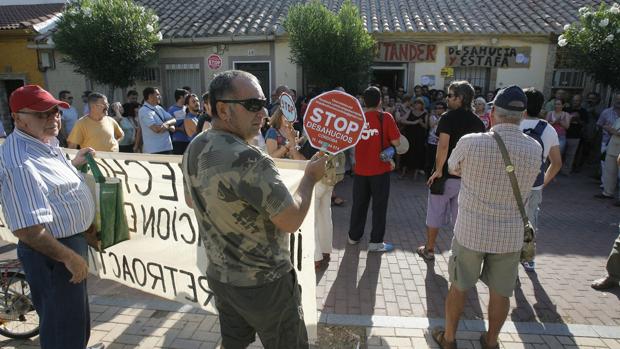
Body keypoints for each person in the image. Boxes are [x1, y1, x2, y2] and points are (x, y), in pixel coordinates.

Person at [182, 70, 327, 348]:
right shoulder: (249, 158)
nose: (262, 112)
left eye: (263, 103)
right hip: (265, 285)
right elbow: (290, 219)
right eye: (252, 105)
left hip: (221, 277)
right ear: (223, 109)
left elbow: (192, 200)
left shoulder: (195, 146)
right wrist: (309, 178)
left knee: (233, 343)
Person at [431, 85, 541, 349]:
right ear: (523, 115)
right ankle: (491, 342)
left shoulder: (471, 142)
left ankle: (448, 339)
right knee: (501, 292)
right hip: (509, 234)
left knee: (458, 286)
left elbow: (452, 168)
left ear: (492, 113)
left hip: (472, 229)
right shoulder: (534, 148)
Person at [0, 85, 104, 349]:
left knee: (74, 325)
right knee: (63, 332)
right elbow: (28, 230)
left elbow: (48, 187)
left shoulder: (42, 143)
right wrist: (69, 257)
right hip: (53, 254)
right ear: (18, 118)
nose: (53, 118)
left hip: (64, 249)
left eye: (55, 112)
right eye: (42, 114)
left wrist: (74, 164)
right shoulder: (20, 162)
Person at [418, 81, 485, 261]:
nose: (446, 99)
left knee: (435, 212)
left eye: (450, 95)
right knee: (461, 219)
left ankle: (429, 249)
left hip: (445, 177)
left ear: (460, 98)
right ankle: (460, 255)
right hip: (467, 179)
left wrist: (438, 170)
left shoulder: (448, 117)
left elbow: (443, 145)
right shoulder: (478, 122)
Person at [347, 86, 401, 252]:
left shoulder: (356, 118)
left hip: (360, 170)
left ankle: (353, 237)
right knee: (379, 207)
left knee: (358, 205)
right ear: (380, 101)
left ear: (364, 100)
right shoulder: (386, 117)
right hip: (380, 170)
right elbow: (397, 142)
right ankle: (376, 242)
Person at [518, 88, 562, 272]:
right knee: (529, 222)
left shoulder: (512, 124)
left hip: (509, 183)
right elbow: (557, 163)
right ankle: (528, 258)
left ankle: (505, 258)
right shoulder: (548, 129)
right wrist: (542, 182)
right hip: (534, 184)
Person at [139, 87, 176, 154]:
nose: (160, 97)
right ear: (150, 96)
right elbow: (156, 129)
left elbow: (173, 119)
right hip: (154, 150)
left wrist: (166, 124)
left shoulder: (159, 108)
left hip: (167, 147)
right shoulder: (143, 111)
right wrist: (170, 126)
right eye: (158, 95)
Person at [398, 97, 427, 179]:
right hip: (409, 135)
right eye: (416, 103)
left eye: (419, 103)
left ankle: (415, 174)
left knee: (418, 153)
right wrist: (413, 123)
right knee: (406, 153)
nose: (417, 105)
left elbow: (426, 126)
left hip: (419, 137)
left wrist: (420, 123)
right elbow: (402, 120)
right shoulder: (410, 111)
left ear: (422, 105)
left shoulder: (425, 113)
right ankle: (403, 172)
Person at [563, 94, 588, 175]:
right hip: (563, 135)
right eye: (574, 100)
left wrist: (578, 119)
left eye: (577, 100)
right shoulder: (566, 109)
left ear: (581, 101)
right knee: (560, 152)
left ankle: (566, 171)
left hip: (575, 136)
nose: (575, 102)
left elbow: (584, 124)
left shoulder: (583, 111)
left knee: (571, 155)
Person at [599, 115, 620, 205]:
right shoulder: (618, 119)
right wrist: (610, 129)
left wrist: (610, 129)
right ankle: (607, 193)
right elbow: (613, 131)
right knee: (609, 172)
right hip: (612, 148)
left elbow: (616, 132)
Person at [425, 102, 446, 178]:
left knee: (440, 160)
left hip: (442, 142)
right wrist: (440, 119)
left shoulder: (446, 118)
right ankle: (429, 176)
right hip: (432, 141)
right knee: (431, 160)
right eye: (436, 108)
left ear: (444, 109)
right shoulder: (432, 117)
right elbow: (431, 125)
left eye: (440, 108)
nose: (438, 110)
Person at [168, 88, 191, 154]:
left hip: (189, 140)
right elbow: (168, 126)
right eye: (186, 96)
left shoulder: (188, 108)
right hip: (178, 141)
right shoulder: (171, 110)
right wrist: (179, 129)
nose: (188, 98)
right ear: (181, 97)